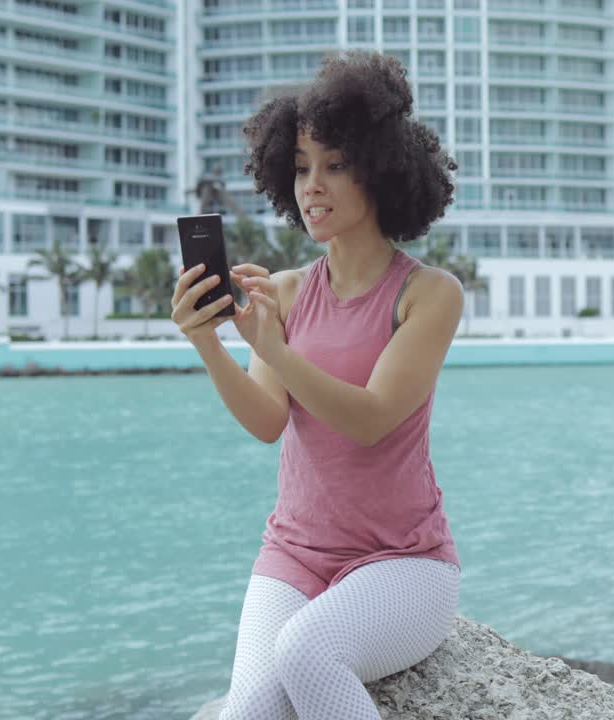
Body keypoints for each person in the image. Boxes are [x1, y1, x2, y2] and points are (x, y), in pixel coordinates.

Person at [170, 51, 463, 720]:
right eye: (300, 169)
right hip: (294, 554)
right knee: (246, 711)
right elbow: (268, 419)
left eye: (334, 165)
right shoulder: (285, 290)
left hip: (406, 565)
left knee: (307, 650)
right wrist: (207, 340)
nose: (312, 186)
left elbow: (372, 419)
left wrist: (275, 346)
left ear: (381, 170)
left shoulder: (430, 295)